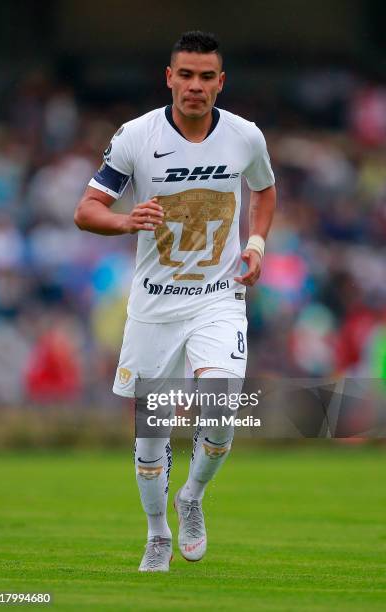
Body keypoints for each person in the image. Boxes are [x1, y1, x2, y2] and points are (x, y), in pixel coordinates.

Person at [75, 31, 276, 572]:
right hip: (155, 307)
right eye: (185, 75)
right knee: (149, 439)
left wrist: (255, 244)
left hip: (218, 295)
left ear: (220, 83)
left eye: (206, 76)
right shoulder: (135, 137)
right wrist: (125, 220)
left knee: (222, 402)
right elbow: (87, 209)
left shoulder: (244, 136)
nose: (195, 86)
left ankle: (191, 498)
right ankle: (157, 533)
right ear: (169, 78)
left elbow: (263, 188)